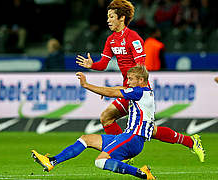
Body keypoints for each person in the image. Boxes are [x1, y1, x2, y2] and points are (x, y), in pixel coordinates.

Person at [75, 0, 204, 162]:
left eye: (111, 16)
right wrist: (92, 65)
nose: (108, 20)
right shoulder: (111, 40)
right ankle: (123, 151)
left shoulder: (134, 38)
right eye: (107, 17)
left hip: (139, 90)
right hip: (126, 88)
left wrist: (119, 90)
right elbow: (103, 64)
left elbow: (140, 69)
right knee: (110, 118)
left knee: (148, 130)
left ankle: (191, 142)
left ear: (121, 18)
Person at [32, 65, 156, 179]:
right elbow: (121, 88)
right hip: (130, 138)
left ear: (141, 80)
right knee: (86, 139)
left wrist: (86, 85)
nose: (128, 82)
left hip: (133, 138)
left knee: (100, 161)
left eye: (131, 79)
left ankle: (141, 173)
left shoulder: (139, 92)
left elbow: (113, 92)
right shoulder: (144, 92)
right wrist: (104, 90)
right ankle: (52, 161)